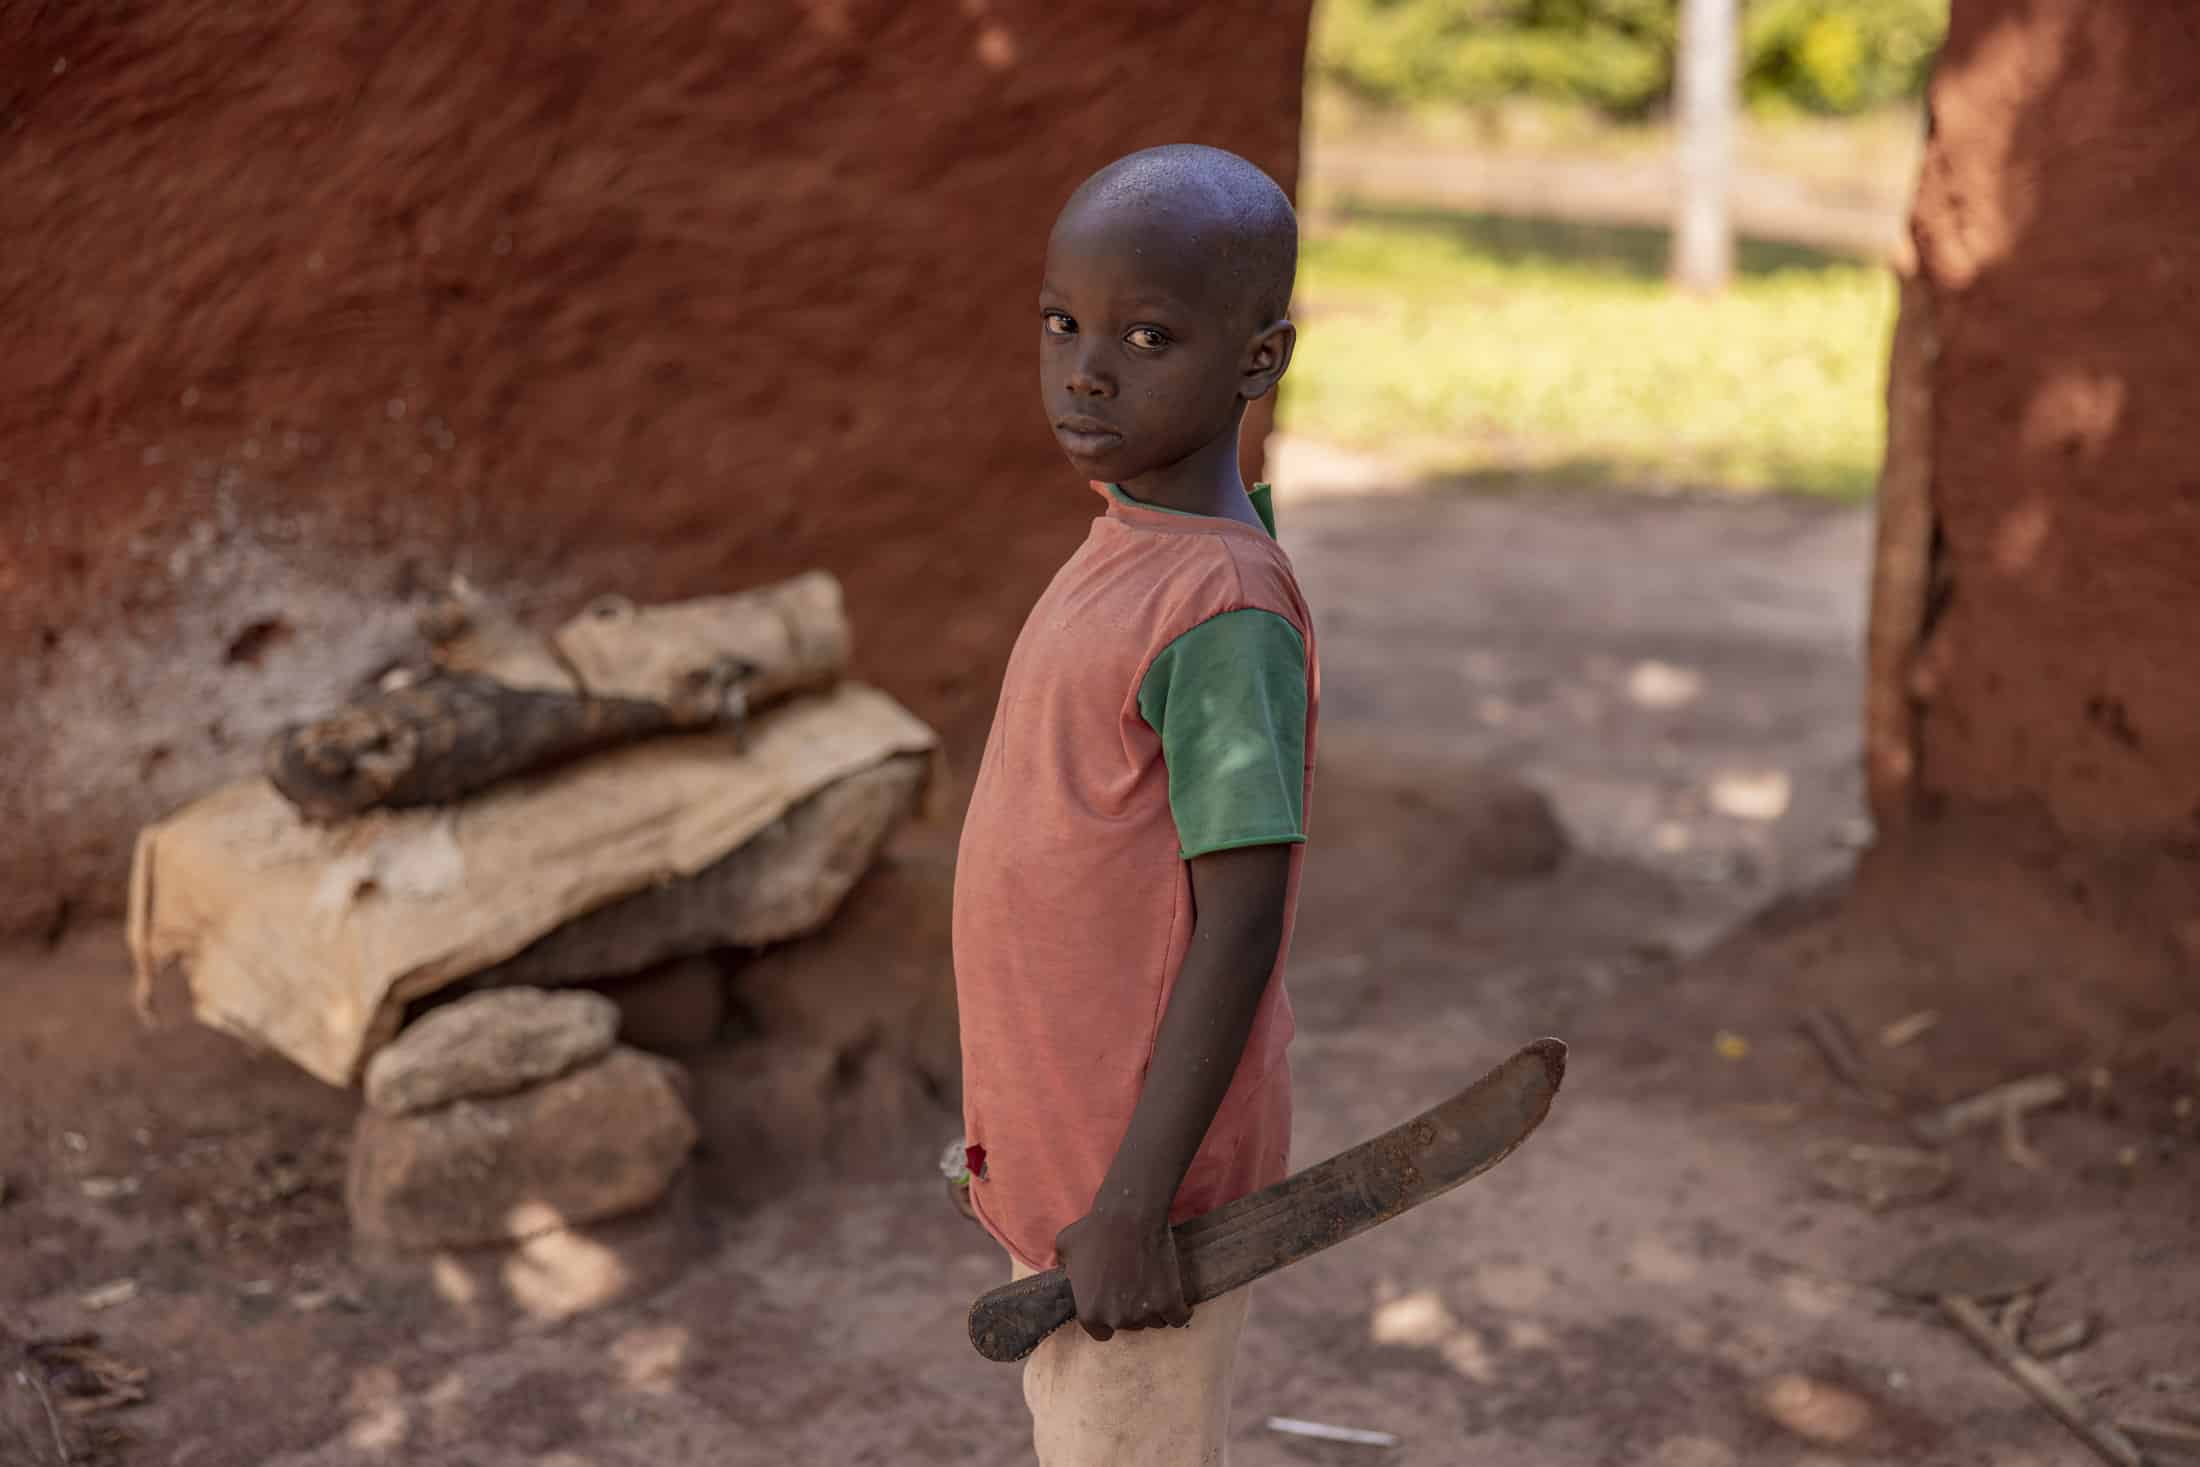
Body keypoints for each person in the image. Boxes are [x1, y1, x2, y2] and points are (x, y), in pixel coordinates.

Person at [952, 142, 1317, 1465]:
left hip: (1143, 1199)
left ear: (1256, 360)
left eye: (1147, 335)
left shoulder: (1220, 607)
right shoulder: (1130, 541)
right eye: (1061, 324)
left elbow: (1242, 921)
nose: (1086, 369)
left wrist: (1138, 1199)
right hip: (1080, 1167)